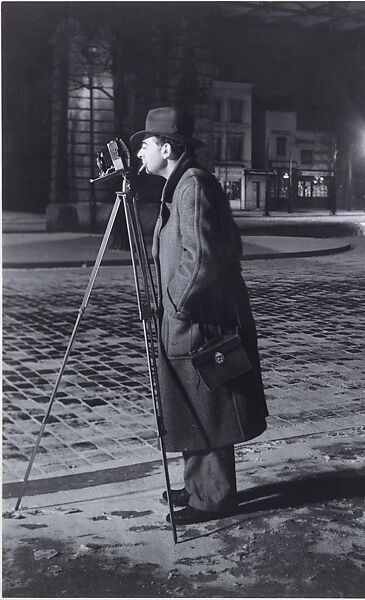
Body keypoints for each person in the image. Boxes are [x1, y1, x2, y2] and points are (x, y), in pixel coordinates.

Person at [131, 106, 268, 525]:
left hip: (199, 318)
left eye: (146, 145)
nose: (139, 155)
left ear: (167, 147)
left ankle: (213, 497)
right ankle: (198, 484)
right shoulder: (180, 183)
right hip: (190, 316)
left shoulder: (192, 185)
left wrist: (176, 305)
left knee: (208, 406)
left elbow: (202, 257)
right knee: (192, 403)